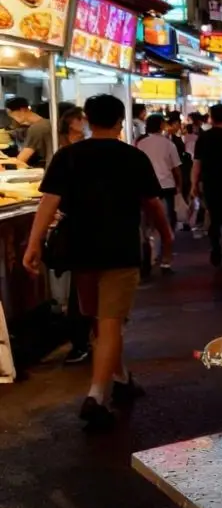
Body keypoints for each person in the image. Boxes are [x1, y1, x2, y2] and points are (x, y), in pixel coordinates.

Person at [23, 94, 171, 431]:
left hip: (80, 249)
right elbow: (152, 205)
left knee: (97, 320)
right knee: (110, 323)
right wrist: (167, 237)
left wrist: (33, 243)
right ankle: (97, 395)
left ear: (87, 120)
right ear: (121, 120)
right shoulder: (133, 157)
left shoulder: (68, 156)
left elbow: (49, 202)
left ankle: (120, 377)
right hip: (119, 249)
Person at [57, 106, 92, 364]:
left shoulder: (77, 151)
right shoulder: (64, 151)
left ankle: (83, 343)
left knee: (80, 289)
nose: (84, 123)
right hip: (79, 229)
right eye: (81, 119)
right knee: (79, 289)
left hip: (79, 229)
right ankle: (83, 342)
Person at [193, 103, 222, 267]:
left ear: (211, 118)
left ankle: (215, 250)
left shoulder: (203, 138)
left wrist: (194, 184)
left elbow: (197, 164)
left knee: (214, 218)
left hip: (210, 183)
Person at [139, 114, 180, 270]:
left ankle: (148, 257)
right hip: (166, 187)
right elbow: (176, 168)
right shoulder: (168, 144)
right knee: (166, 225)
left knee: (147, 224)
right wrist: (179, 186)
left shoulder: (141, 143)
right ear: (161, 125)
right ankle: (165, 260)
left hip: (144, 188)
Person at [4, 97, 52, 167]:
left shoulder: (36, 128)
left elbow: (21, 159)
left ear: (22, 110)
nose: (12, 117)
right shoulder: (47, 123)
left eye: (11, 113)